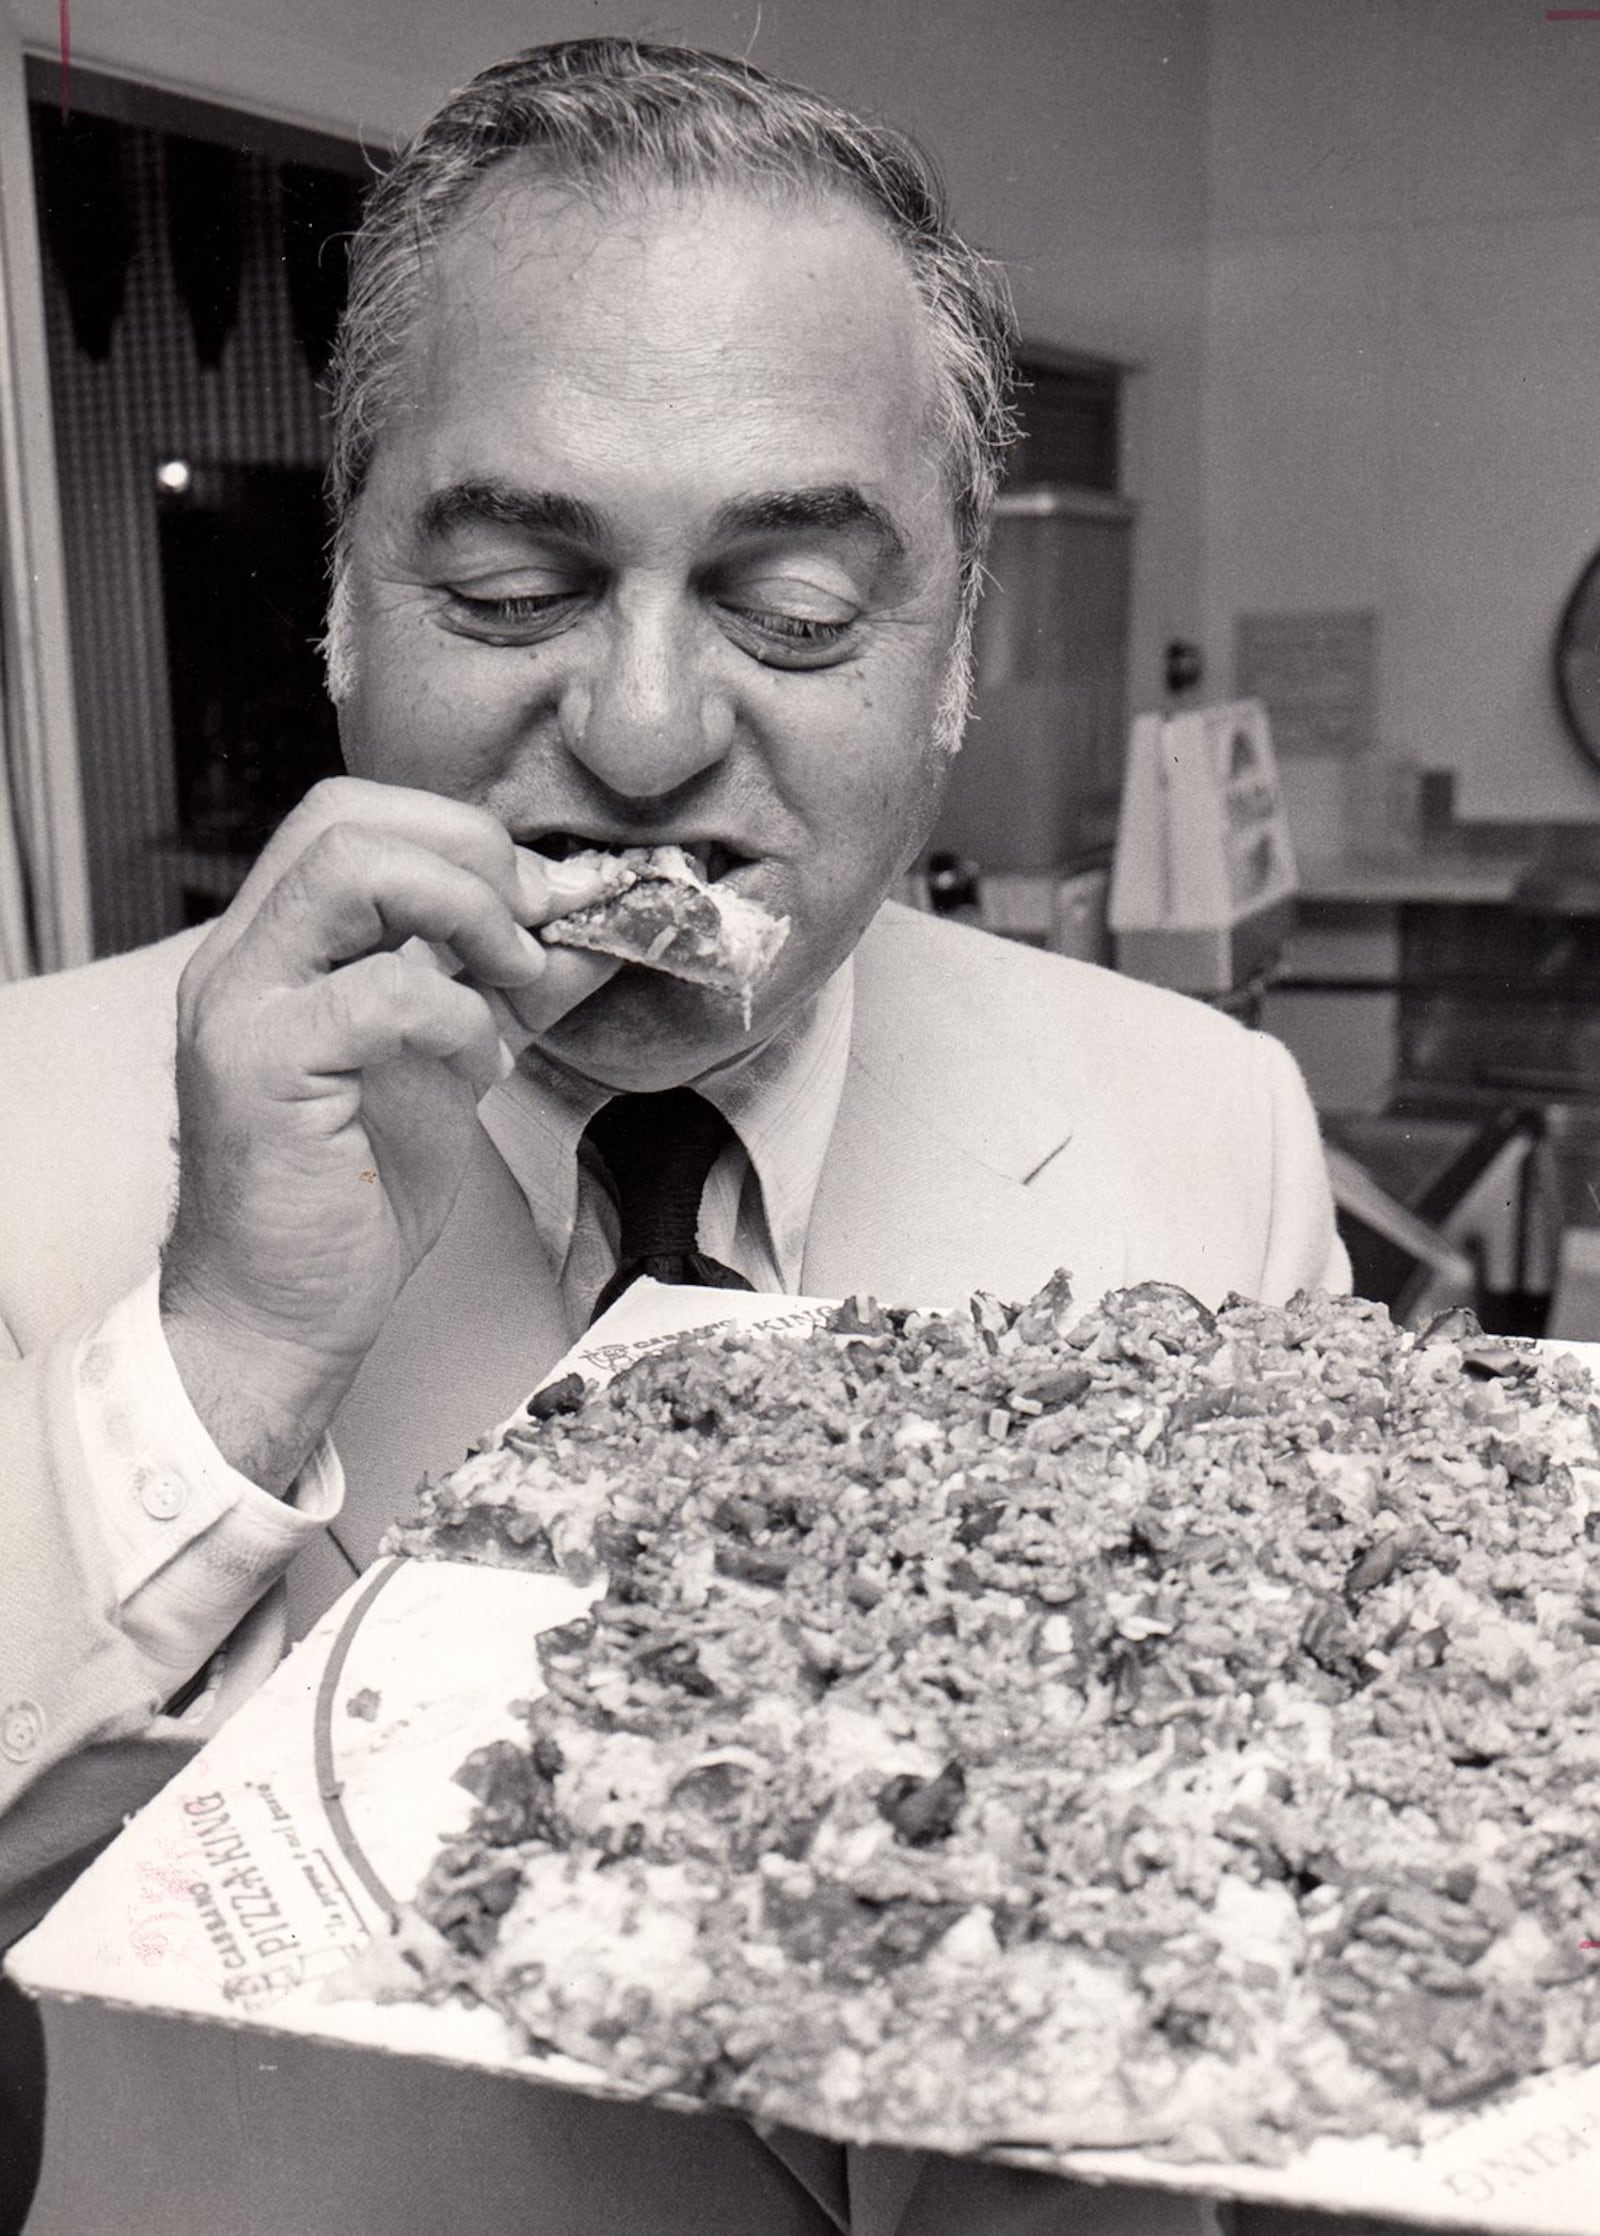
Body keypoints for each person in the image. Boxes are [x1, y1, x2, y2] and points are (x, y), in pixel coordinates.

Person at [0, 38, 1347, 2236]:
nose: (637, 734)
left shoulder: (1208, 1116)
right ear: (340, 601)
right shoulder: (13, 1119)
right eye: (514, 590)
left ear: (947, 655)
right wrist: (226, 1338)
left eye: (793, 611)